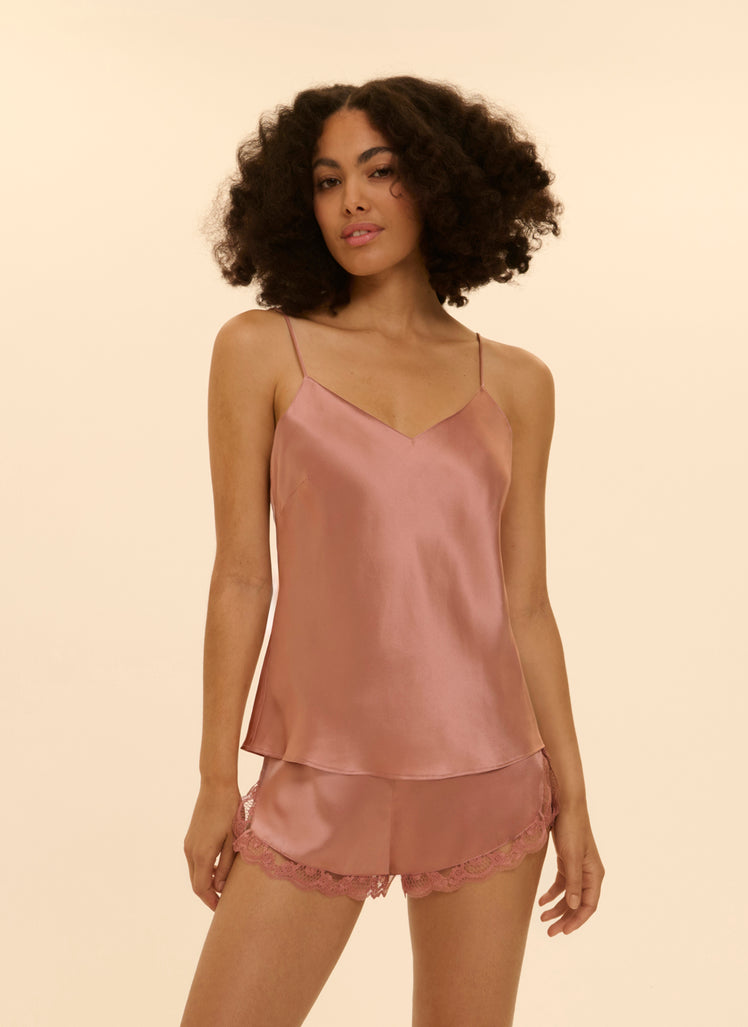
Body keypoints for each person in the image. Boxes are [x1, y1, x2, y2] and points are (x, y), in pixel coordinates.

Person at [181, 74, 604, 1026]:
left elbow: (526, 604)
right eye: (328, 181)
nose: (353, 201)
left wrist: (574, 799)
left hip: (491, 780)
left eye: (381, 172)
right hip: (317, 775)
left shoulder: (517, 383)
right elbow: (242, 577)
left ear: (442, 185)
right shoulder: (260, 350)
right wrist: (214, 782)